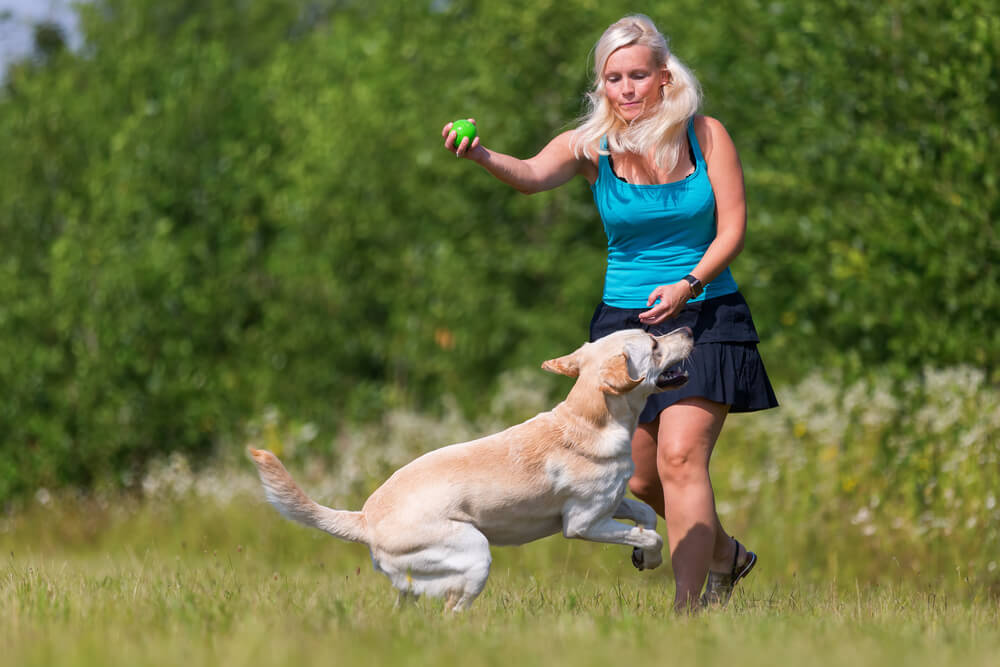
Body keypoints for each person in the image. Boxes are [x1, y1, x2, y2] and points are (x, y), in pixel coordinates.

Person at [441, 14, 778, 611]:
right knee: (643, 479)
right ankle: (724, 555)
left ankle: (686, 615)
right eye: (613, 77)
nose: (625, 88)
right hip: (622, 332)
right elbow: (529, 174)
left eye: (637, 75)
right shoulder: (593, 145)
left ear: (664, 78)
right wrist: (482, 154)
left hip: (705, 314)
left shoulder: (707, 135)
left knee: (681, 457)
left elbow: (733, 229)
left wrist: (688, 282)